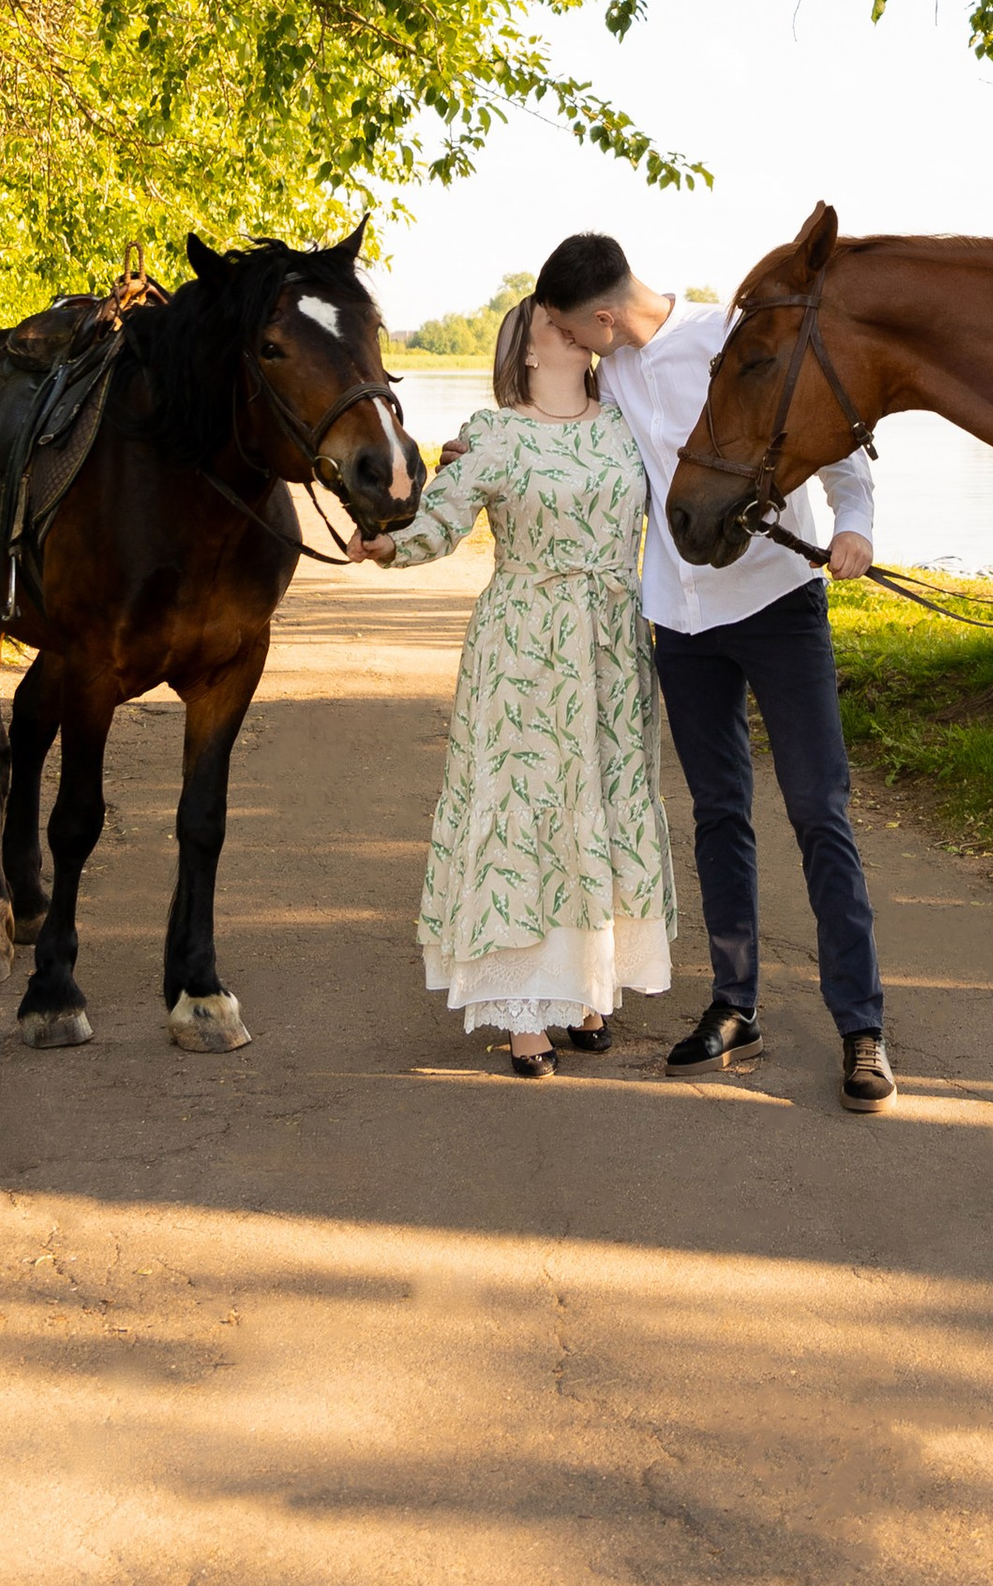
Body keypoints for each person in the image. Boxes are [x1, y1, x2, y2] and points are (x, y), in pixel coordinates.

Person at [534, 231, 896, 1111]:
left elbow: (839, 447)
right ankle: (736, 1006)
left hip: (778, 608)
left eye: (582, 331)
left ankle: (862, 1027)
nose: (580, 348)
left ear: (609, 316)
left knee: (819, 812)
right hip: (682, 622)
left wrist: (854, 527)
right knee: (718, 815)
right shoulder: (610, 373)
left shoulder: (736, 341)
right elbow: (561, 429)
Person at [353, 293, 676, 1077]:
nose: (567, 324)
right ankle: (524, 1011)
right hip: (523, 644)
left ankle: (589, 989)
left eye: (574, 317)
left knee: (599, 801)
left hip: (611, 643)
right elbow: (440, 523)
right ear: (527, 349)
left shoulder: (625, 423)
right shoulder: (492, 433)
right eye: (548, 318)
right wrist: (389, 546)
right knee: (525, 812)